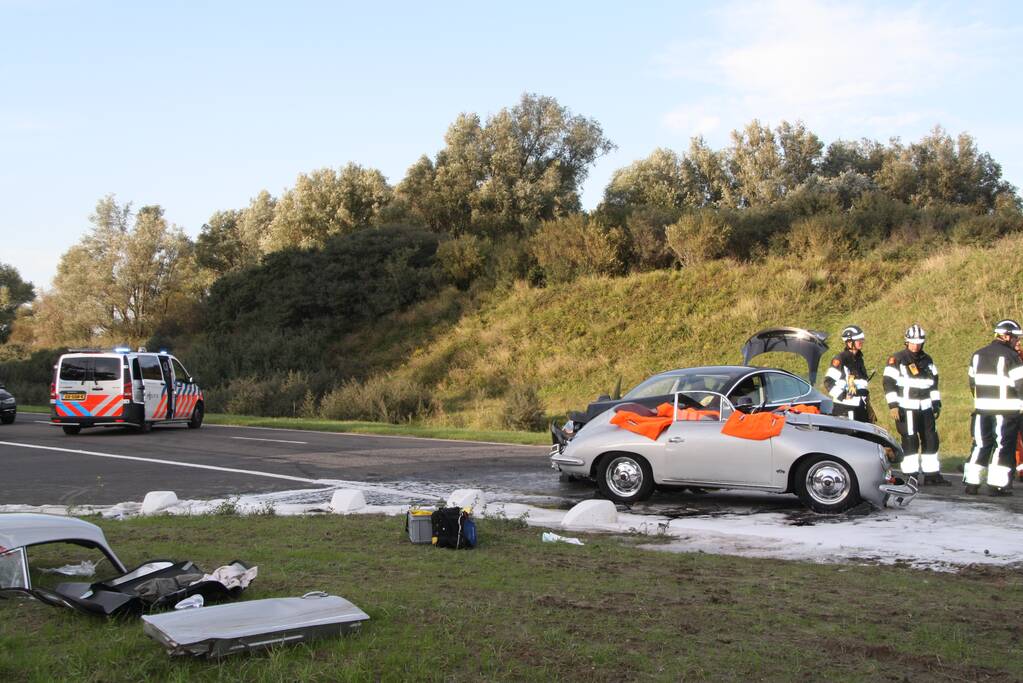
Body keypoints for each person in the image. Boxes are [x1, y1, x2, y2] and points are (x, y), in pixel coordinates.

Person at [882, 324, 948, 485]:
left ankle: (932, 474)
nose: (916, 345)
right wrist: (893, 405)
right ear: (907, 342)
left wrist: (936, 403)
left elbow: (933, 384)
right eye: (913, 342)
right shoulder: (897, 360)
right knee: (910, 441)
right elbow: (888, 383)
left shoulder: (928, 360)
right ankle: (911, 475)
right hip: (906, 408)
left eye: (919, 342)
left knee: (931, 440)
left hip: (925, 407)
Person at [964, 319, 1023, 495]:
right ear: (1005, 336)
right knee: (1002, 447)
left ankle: (971, 483)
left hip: (982, 410)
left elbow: (972, 383)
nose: (1017, 342)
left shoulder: (977, 355)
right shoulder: (1011, 357)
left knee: (980, 445)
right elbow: (1021, 385)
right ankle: (996, 485)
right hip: (1005, 411)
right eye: (1015, 338)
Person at [823, 325, 873, 422]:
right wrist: (842, 395)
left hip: (860, 405)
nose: (861, 342)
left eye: (862, 339)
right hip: (845, 408)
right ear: (849, 342)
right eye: (858, 340)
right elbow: (828, 382)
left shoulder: (859, 358)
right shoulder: (840, 359)